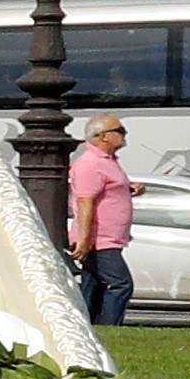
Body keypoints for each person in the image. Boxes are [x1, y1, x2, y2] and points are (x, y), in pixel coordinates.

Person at [72, 114, 138, 326]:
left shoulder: (108, 162)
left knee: (93, 285)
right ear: (102, 137)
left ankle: (83, 325)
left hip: (109, 238)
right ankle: (111, 329)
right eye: (119, 130)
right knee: (120, 284)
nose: (124, 134)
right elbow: (85, 201)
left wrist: (130, 188)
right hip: (99, 239)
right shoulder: (90, 163)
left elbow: (106, 190)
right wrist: (83, 240)